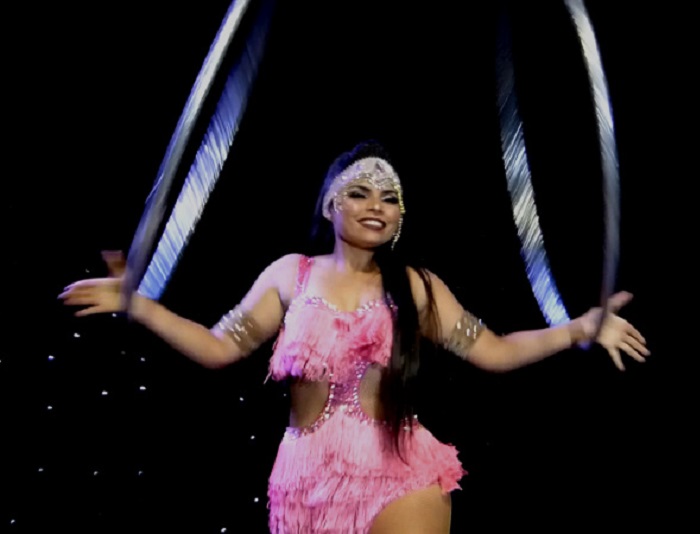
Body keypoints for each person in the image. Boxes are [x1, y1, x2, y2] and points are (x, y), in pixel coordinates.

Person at [59, 140, 649, 533]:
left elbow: (493, 350)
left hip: (400, 475)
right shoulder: (290, 274)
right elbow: (219, 347)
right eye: (360, 192)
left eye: (390, 198)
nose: (376, 205)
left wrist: (577, 327)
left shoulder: (415, 286)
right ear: (330, 204)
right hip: (302, 480)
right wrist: (139, 305)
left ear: (400, 219)